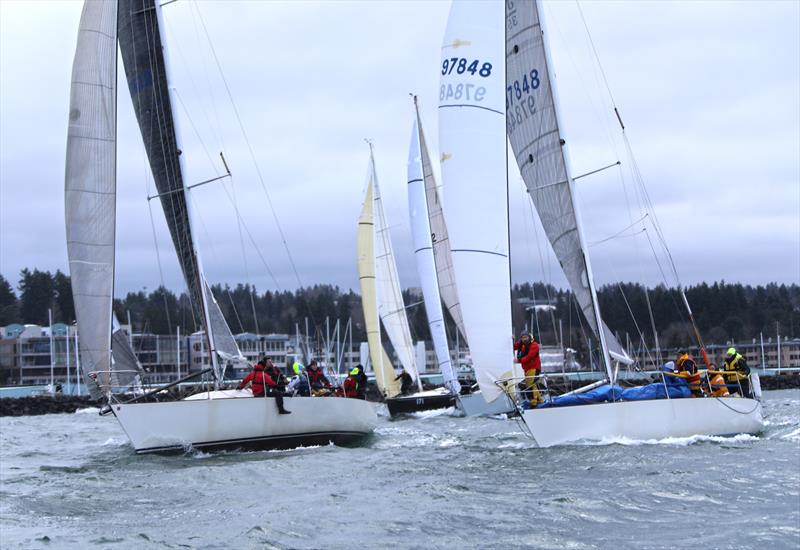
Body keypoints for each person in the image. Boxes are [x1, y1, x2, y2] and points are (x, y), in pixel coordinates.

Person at [514, 332, 542, 405]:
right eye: (523, 337)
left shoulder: (534, 345)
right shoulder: (522, 344)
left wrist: (519, 360)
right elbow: (513, 347)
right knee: (533, 384)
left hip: (534, 368)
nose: (524, 339)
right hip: (527, 369)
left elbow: (530, 357)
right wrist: (512, 340)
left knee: (529, 384)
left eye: (526, 337)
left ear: (529, 337)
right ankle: (539, 400)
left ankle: (533, 402)